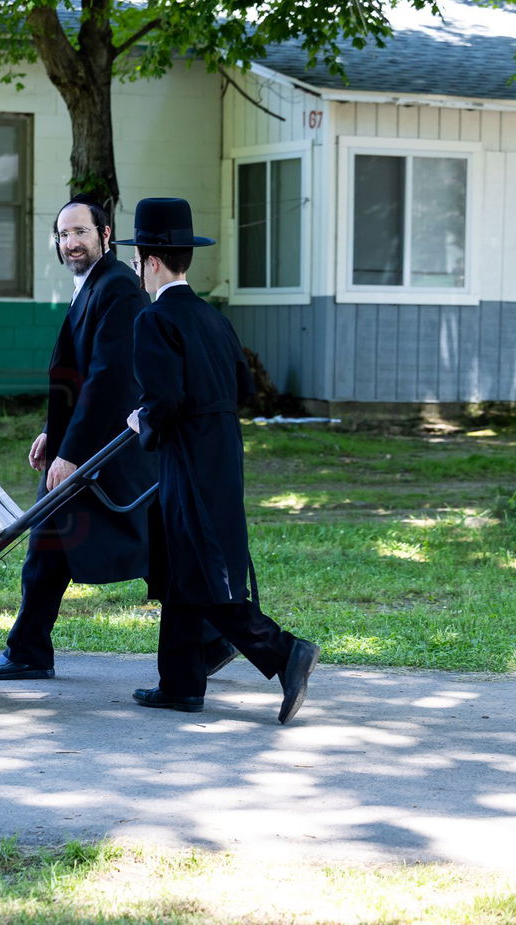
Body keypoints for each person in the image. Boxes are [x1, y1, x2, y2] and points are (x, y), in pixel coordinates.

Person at [0, 195, 237, 680]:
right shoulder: (93, 285)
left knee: (155, 549)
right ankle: (30, 647)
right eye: (64, 234)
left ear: (106, 236)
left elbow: (109, 378)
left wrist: (71, 452)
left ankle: (216, 636)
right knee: (57, 548)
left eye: (81, 233)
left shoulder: (116, 286)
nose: (71, 242)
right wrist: (54, 432)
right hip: (95, 446)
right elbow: (81, 374)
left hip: (110, 455)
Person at [116, 197, 319, 722]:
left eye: (138, 260)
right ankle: (181, 684)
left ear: (151, 261)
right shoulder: (212, 318)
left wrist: (145, 422)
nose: (137, 270)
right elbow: (244, 386)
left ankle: (283, 651)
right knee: (187, 566)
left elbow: (162, 399)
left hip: (187, 459)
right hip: (223, 455)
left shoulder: (153, 319)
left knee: (202, 568)